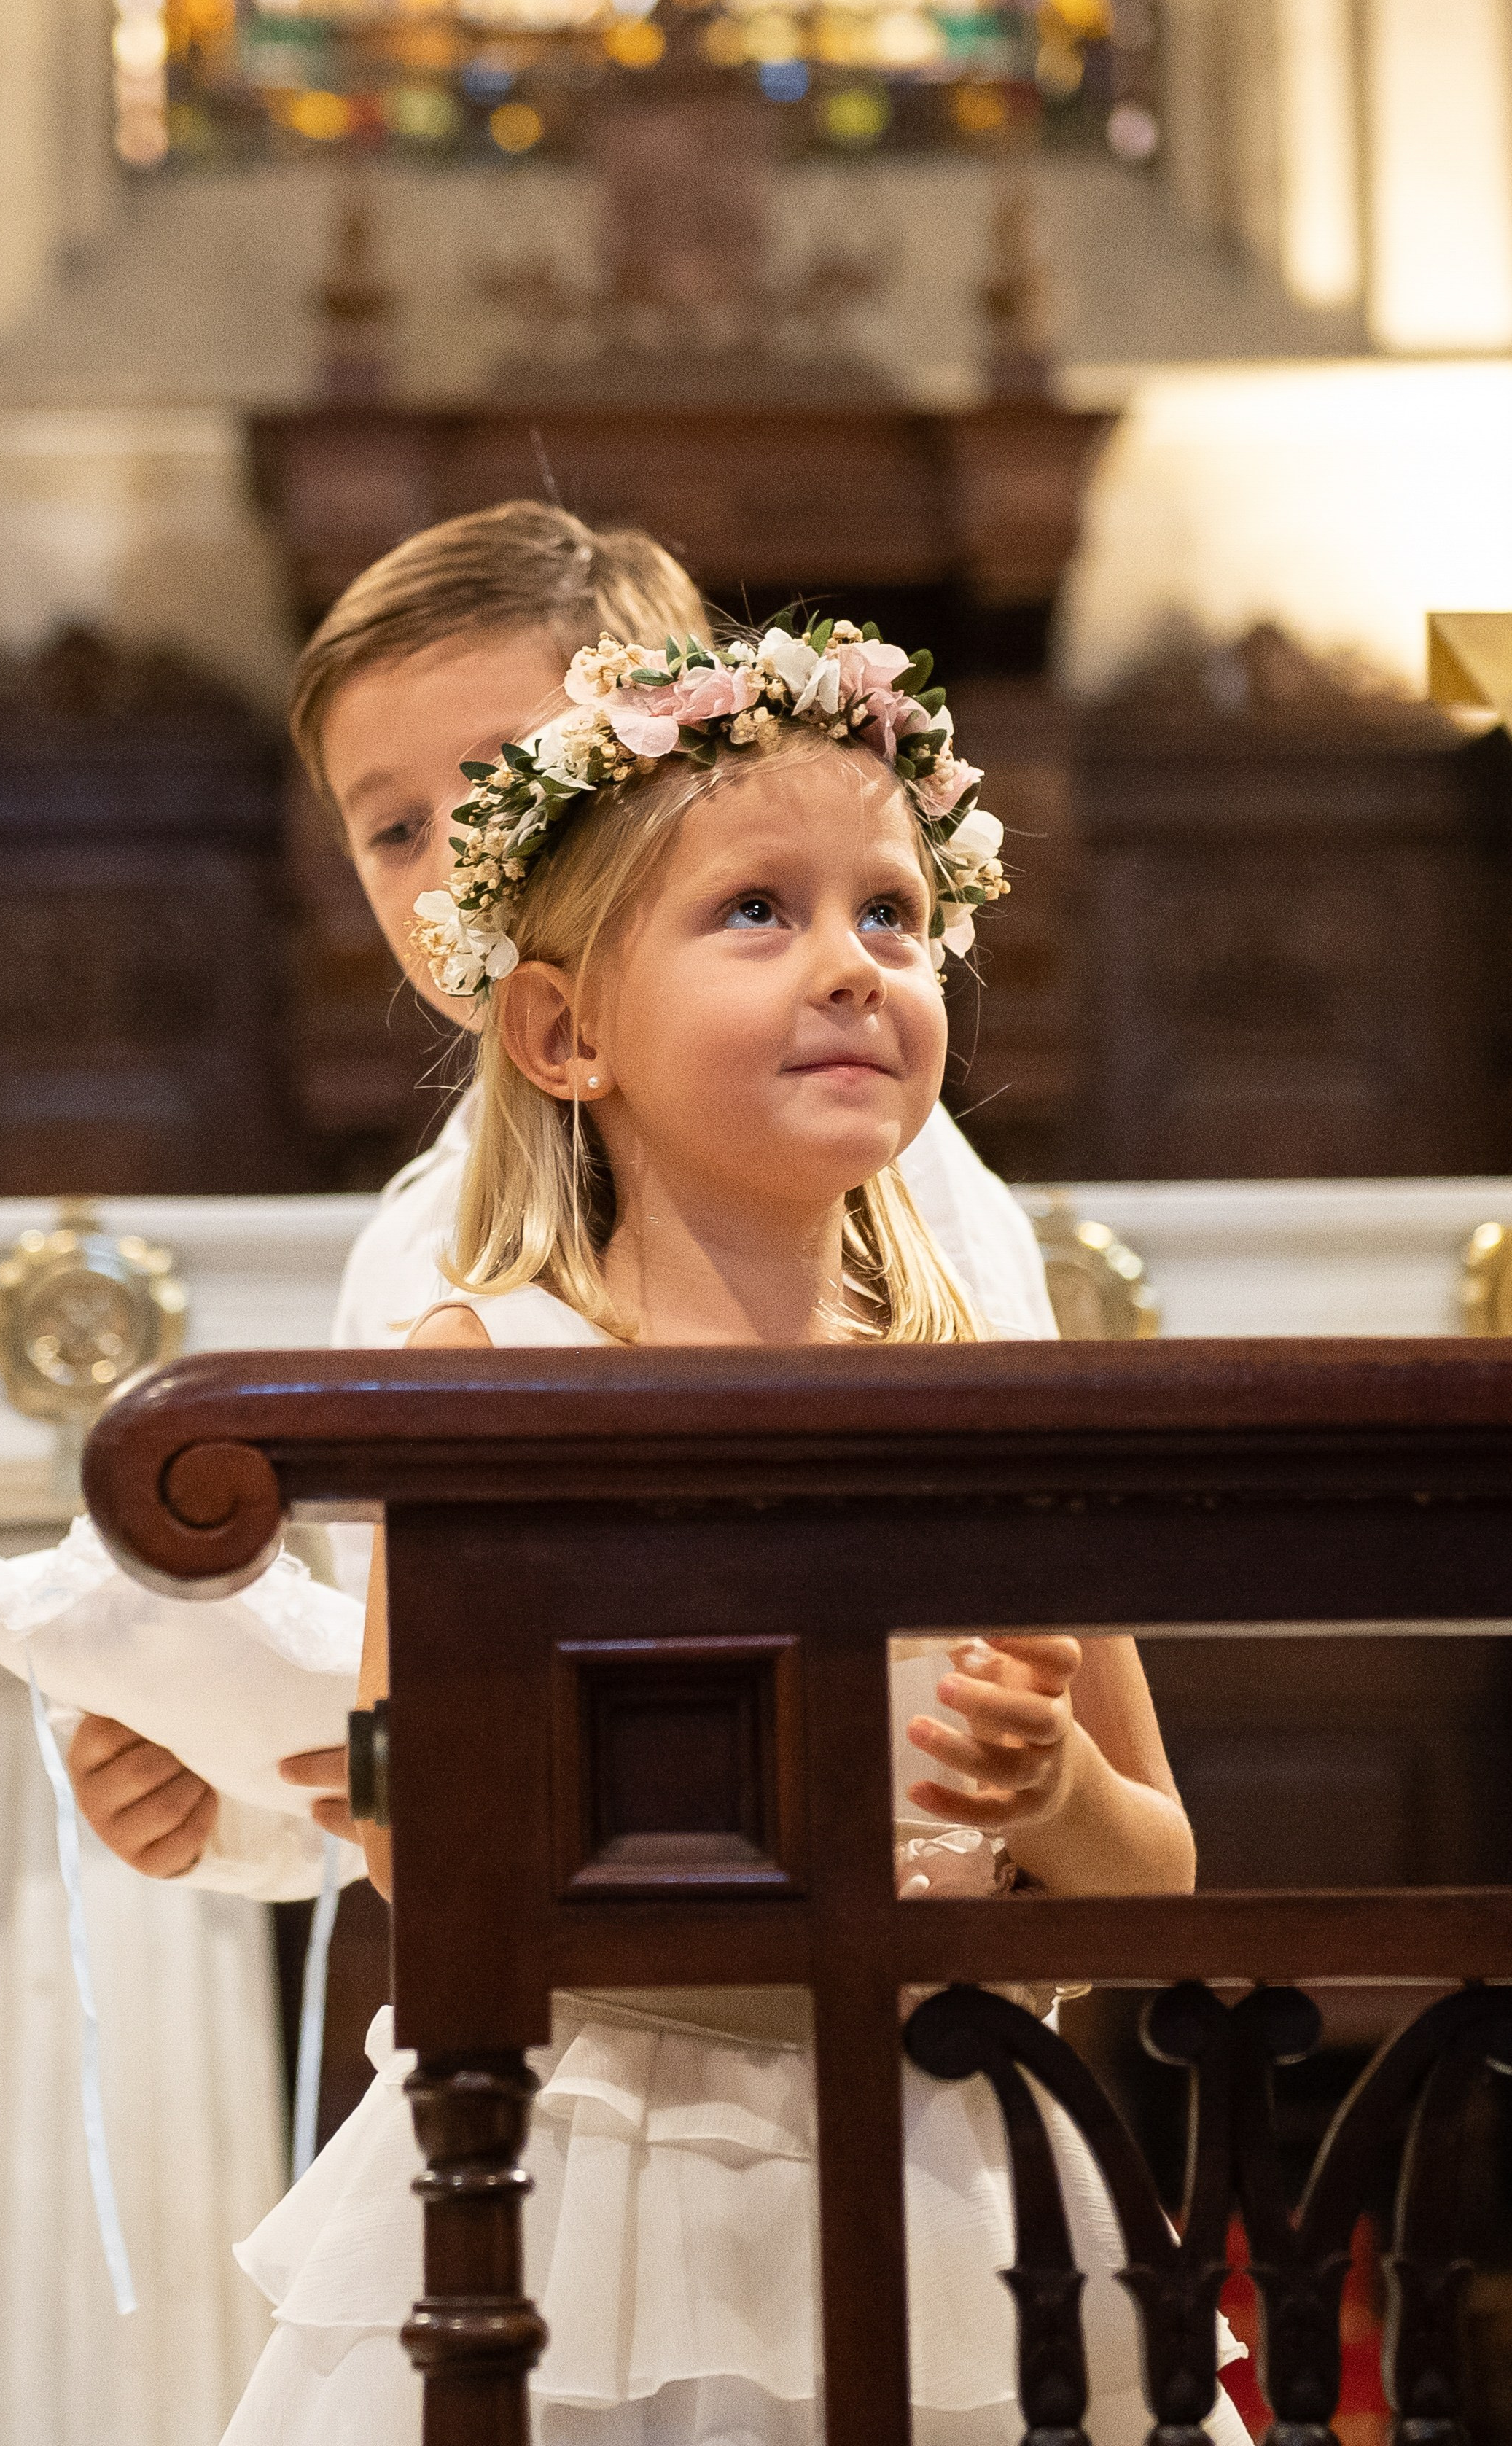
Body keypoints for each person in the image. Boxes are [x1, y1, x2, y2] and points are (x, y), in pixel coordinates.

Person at [217, 615, 1247, 2446]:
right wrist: (424, 1802)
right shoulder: (490, 1373)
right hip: (593, 2168)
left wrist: (1047, 1798)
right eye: (757, 911)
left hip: (950, 2167)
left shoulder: (998, 1398)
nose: (852, 963)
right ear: (560, 1027)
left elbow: (1153, 1881)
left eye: (894, 915)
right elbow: (414, 1843)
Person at [70, 505, 1056, 1879]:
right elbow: (395, 1719)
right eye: (394, 829)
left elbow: (1002, 1677)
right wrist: (219, 1799)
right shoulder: (421, 1244)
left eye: (499, 789)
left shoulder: (885, 1192)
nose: (451, 870)